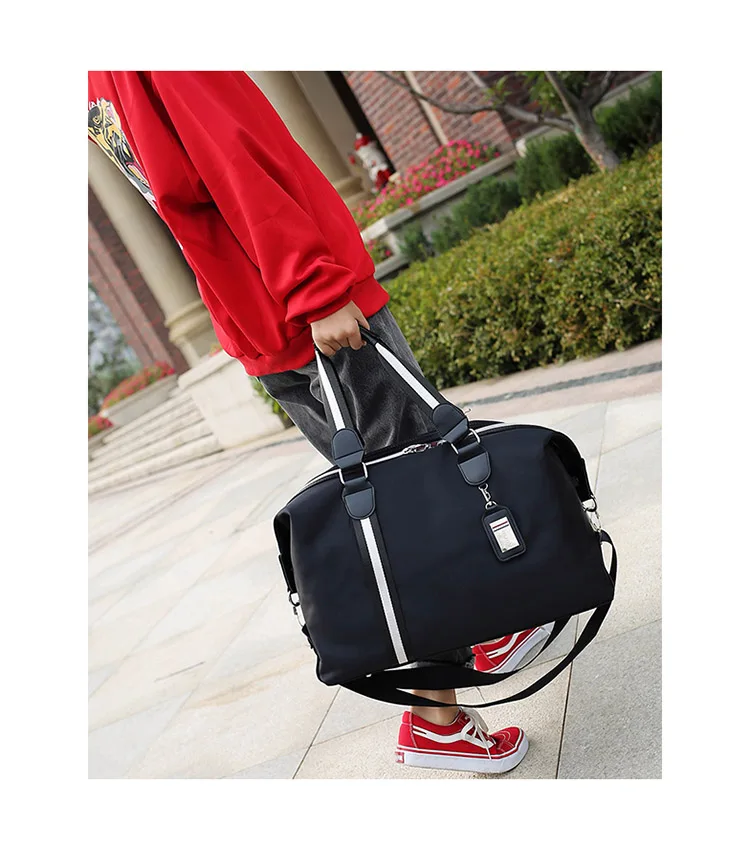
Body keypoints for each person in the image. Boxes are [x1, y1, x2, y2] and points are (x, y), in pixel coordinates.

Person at [87, 70, 551, 774]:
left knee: (393, 507)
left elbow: (174, 193)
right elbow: (230, 158)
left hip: (257, 317)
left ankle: (465, 667)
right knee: (416, 488)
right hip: (307, 306)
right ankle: (454, 691)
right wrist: (316, 288)